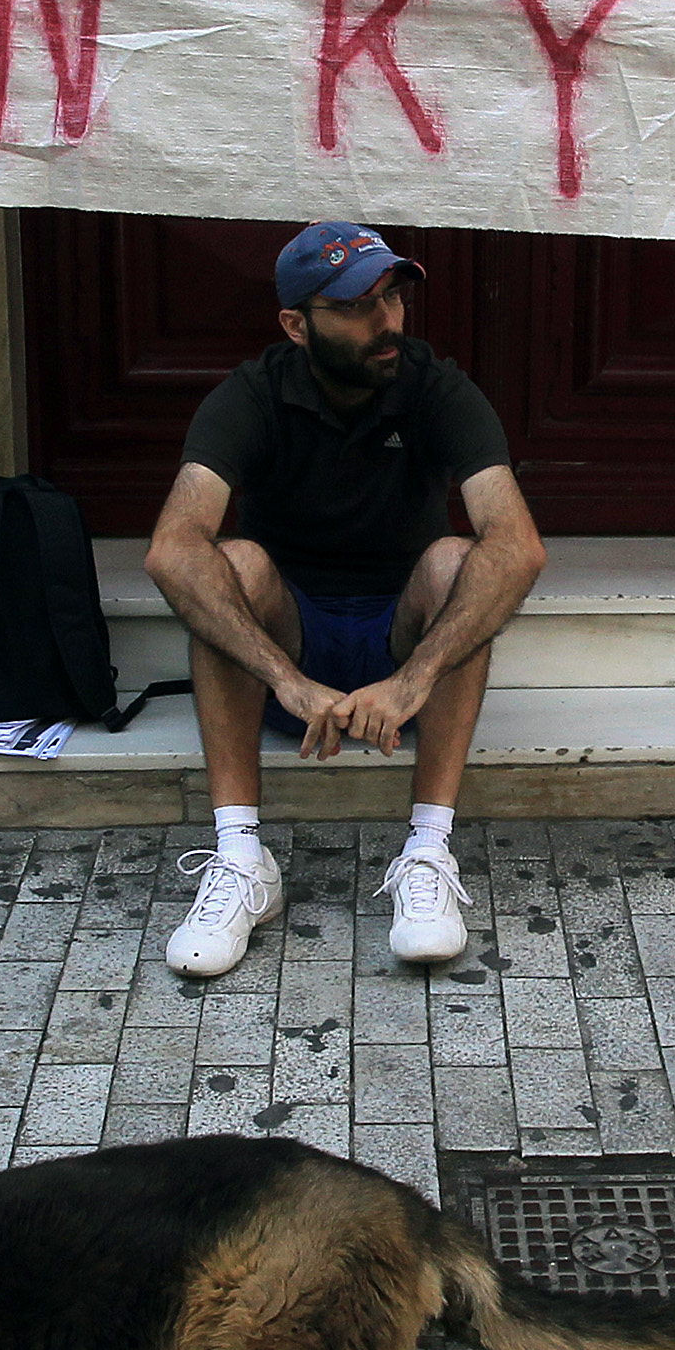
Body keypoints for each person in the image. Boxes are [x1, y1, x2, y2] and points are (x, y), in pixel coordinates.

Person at [143, 222, 546, 979]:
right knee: (230, 565)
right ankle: (241, 857)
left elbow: (517, 545)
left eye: (392, 298)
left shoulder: (435, 386)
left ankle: (427, 850)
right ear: (297, 325)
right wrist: (286, 680)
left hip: (405, 658)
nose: (386, 321)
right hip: (288, 659)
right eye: (357, 307)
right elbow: (173, 548)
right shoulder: (254, 393)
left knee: (458, 561)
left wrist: (414, 678)